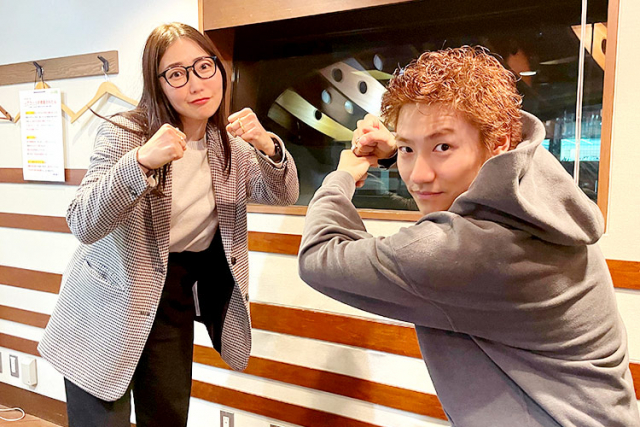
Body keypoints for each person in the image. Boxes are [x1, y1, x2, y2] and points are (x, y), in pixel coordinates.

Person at [298, 46, 639, 426]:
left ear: (500, 143)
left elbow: (319, 256)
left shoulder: (465, 251)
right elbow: (478, 171)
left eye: (443, 146)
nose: (418, 175)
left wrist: (343, 175)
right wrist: (410, 147)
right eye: (409, 149)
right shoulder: (538, 197)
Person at [38, 22, 298, 427]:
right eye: (177, 73)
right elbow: (83, 222)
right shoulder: (125, 133)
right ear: (157, 84)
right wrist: (141, 162)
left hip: (173, 297)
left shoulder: (231, 147)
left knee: (168, 417)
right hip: (108, 299)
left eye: (204, 67)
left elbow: (282, 193)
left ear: (219, 69)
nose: (196, 84)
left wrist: (268, 145)